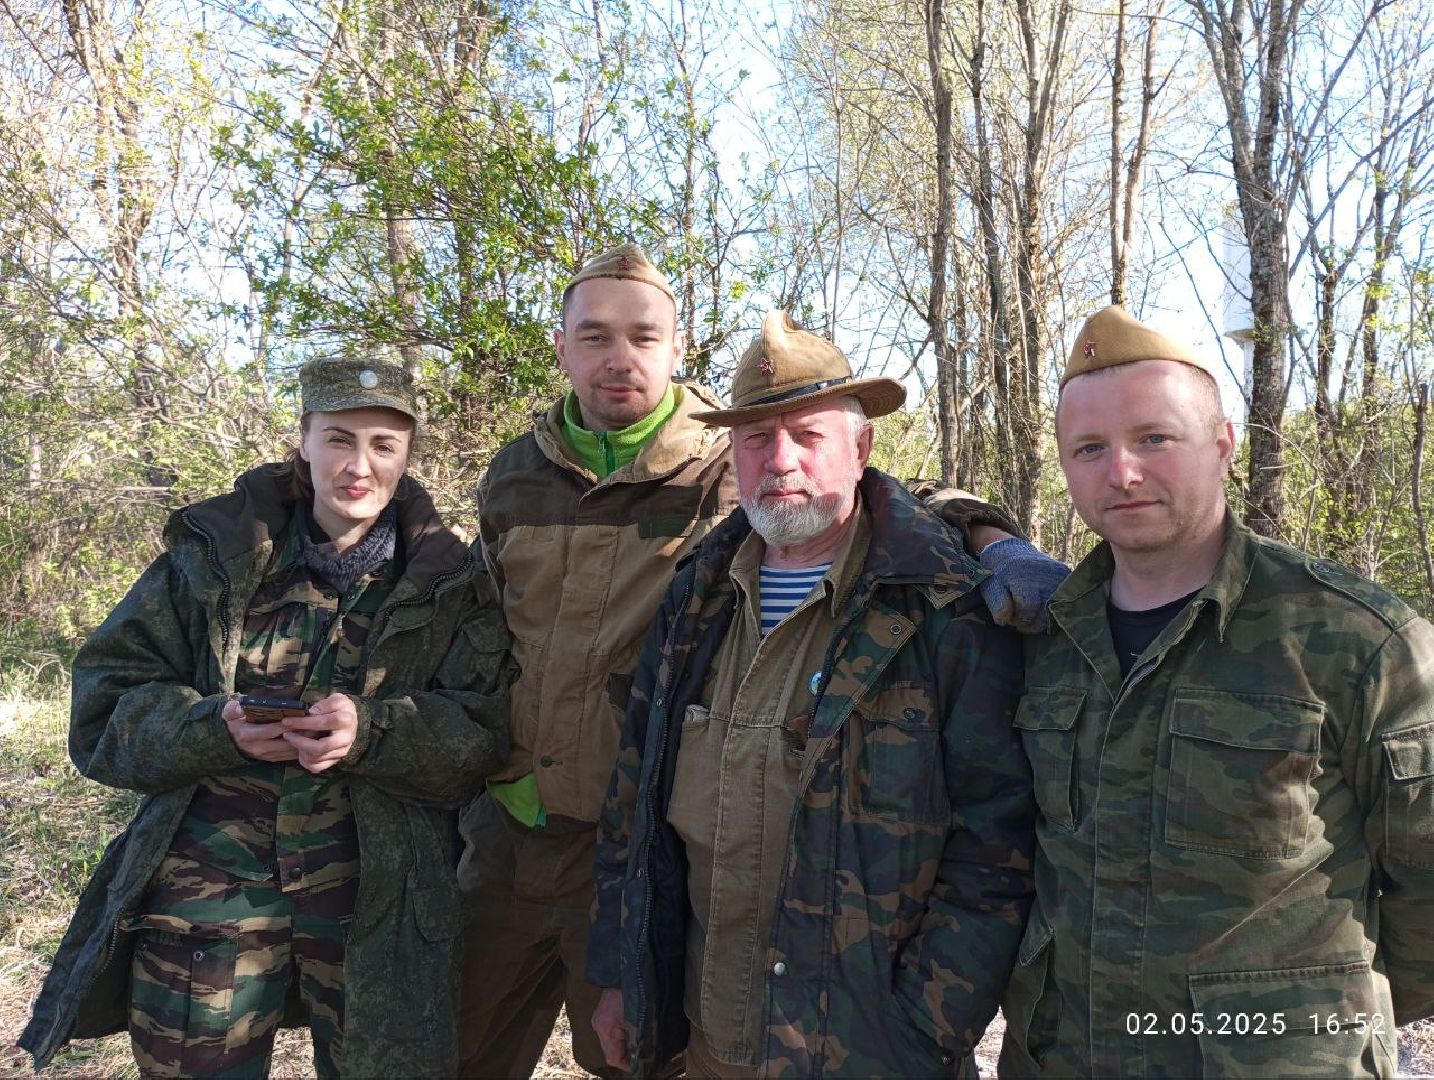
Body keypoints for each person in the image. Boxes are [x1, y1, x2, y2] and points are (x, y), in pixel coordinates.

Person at [455, 246, 1057, 1078]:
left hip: (788, 973)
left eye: (643, 336)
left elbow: (886, 496)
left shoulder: (741, 486)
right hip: (546, 854)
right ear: (560, 347)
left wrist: (993, 536)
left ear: (677, 349)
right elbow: (496, 642)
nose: (780, 459)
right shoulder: (543, 494)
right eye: (594, 336)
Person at [19, 357, 512, 1078]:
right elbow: (103, 710)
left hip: (376, 908)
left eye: (384, 445)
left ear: (408, 455)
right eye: (339, 439)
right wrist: (212, 727)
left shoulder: (448, 582)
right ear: (303, 441)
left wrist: (371, 732)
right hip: (204, 907)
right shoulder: (213, 560)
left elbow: (483, 734)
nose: (359, 466)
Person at [587, 311, 1037, 1078]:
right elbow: (634, 793)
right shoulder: (697, 594)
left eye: (808, 436)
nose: (780, 461)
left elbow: (998, 844)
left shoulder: (942, 607)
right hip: (706, 1033)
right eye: (757, 439)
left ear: (860, 448)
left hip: (868, 1048)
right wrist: (621, 972)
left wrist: (929, 1024)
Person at [999, 304, 1434, 1076]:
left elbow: (1425, 898)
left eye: (1154, 439)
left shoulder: (1353, 639)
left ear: (1225, 443)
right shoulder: (1047, 641)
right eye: (1089, 448)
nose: (1121, 473)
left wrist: (1302, 1021)